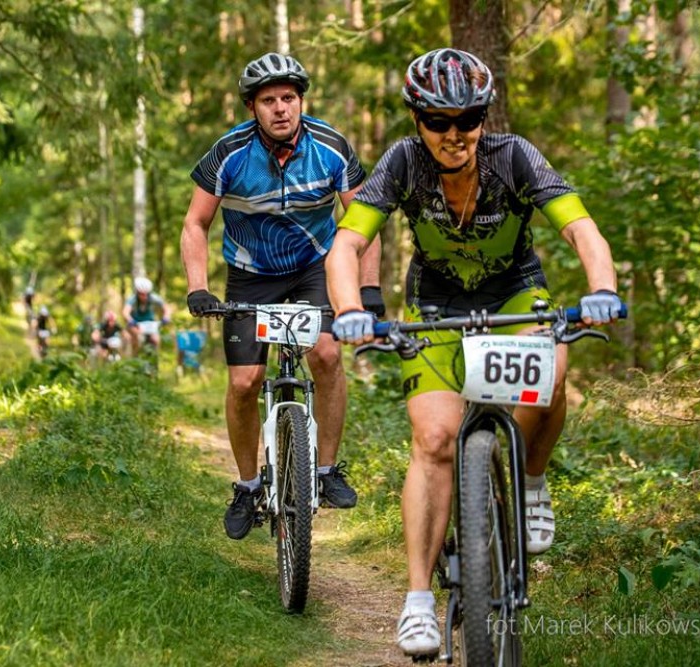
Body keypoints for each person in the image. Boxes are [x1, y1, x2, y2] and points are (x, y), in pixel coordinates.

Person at [324, 48, 622, 656]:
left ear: (484, 117)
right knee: (434, 439)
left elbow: (580, 228)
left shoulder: (514, 156)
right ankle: (417, 601)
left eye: (469, 118)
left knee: (553, 371)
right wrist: (351, 309)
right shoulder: (403, 162)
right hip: (435, 304)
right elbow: (346, 244)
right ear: (418, 119)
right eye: (439, 121)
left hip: (515, 292)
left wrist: (602, 290)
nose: (454, 134)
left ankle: (531, 483)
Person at [180, 52, 384, 541]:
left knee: (327, 354)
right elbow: (196, 223)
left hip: (315, 268)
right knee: (245, 382)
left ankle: (327, 470)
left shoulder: (331, 146)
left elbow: (364, 223)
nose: (280, 108)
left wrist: (368, 289)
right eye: (268, 100)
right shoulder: (229, 153)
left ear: (301, 101)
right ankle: (248, 485)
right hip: (251, 274)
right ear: (252, 107)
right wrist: (198, 287)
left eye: (288, 98)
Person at [123, 276, 172, 355]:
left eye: (146, 294)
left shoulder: (153, 297)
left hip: (150, 322)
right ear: (137, 293)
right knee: (138, 339)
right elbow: (125, 312)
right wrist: (130, 320)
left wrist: (166, 317)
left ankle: (154, 358)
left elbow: (166, 307)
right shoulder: (132, 299)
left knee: (156, 340)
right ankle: (135, 357)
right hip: (136, 323)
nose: (144, 297)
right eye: (141, 294)